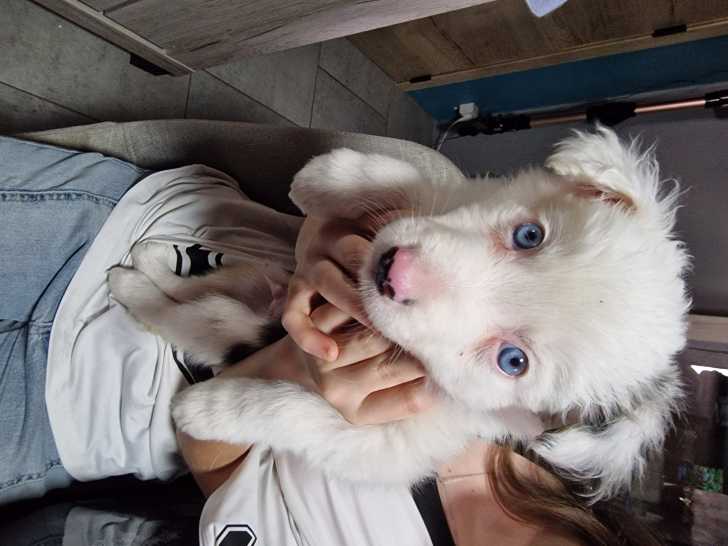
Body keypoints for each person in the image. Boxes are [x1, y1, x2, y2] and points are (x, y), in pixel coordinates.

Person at [0, 136, 657, 545]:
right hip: (130, 228)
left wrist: (292, 372)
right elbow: (368, 191)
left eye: (512, 357)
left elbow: (207, 443)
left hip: (77, 419)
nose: (410, 274)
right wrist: (336, 232)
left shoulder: (475, 421)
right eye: (526, 238)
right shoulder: (560, 429)